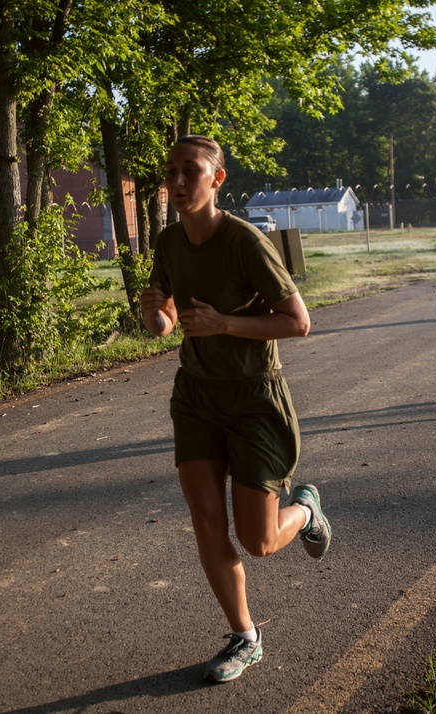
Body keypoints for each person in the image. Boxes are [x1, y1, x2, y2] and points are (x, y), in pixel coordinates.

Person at [139, 135, 331, 684]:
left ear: (217, 179)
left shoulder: (245, 242)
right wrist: (154, 315)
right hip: (196, 396)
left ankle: (307, 509)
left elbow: (298, 321)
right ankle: (245, 637)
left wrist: (227, 324)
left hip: (253, 399)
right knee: (205, 522)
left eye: (191, 171)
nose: (178, 182)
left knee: (260, 541)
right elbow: (166, 322)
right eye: (171, 170)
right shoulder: (168, 242)